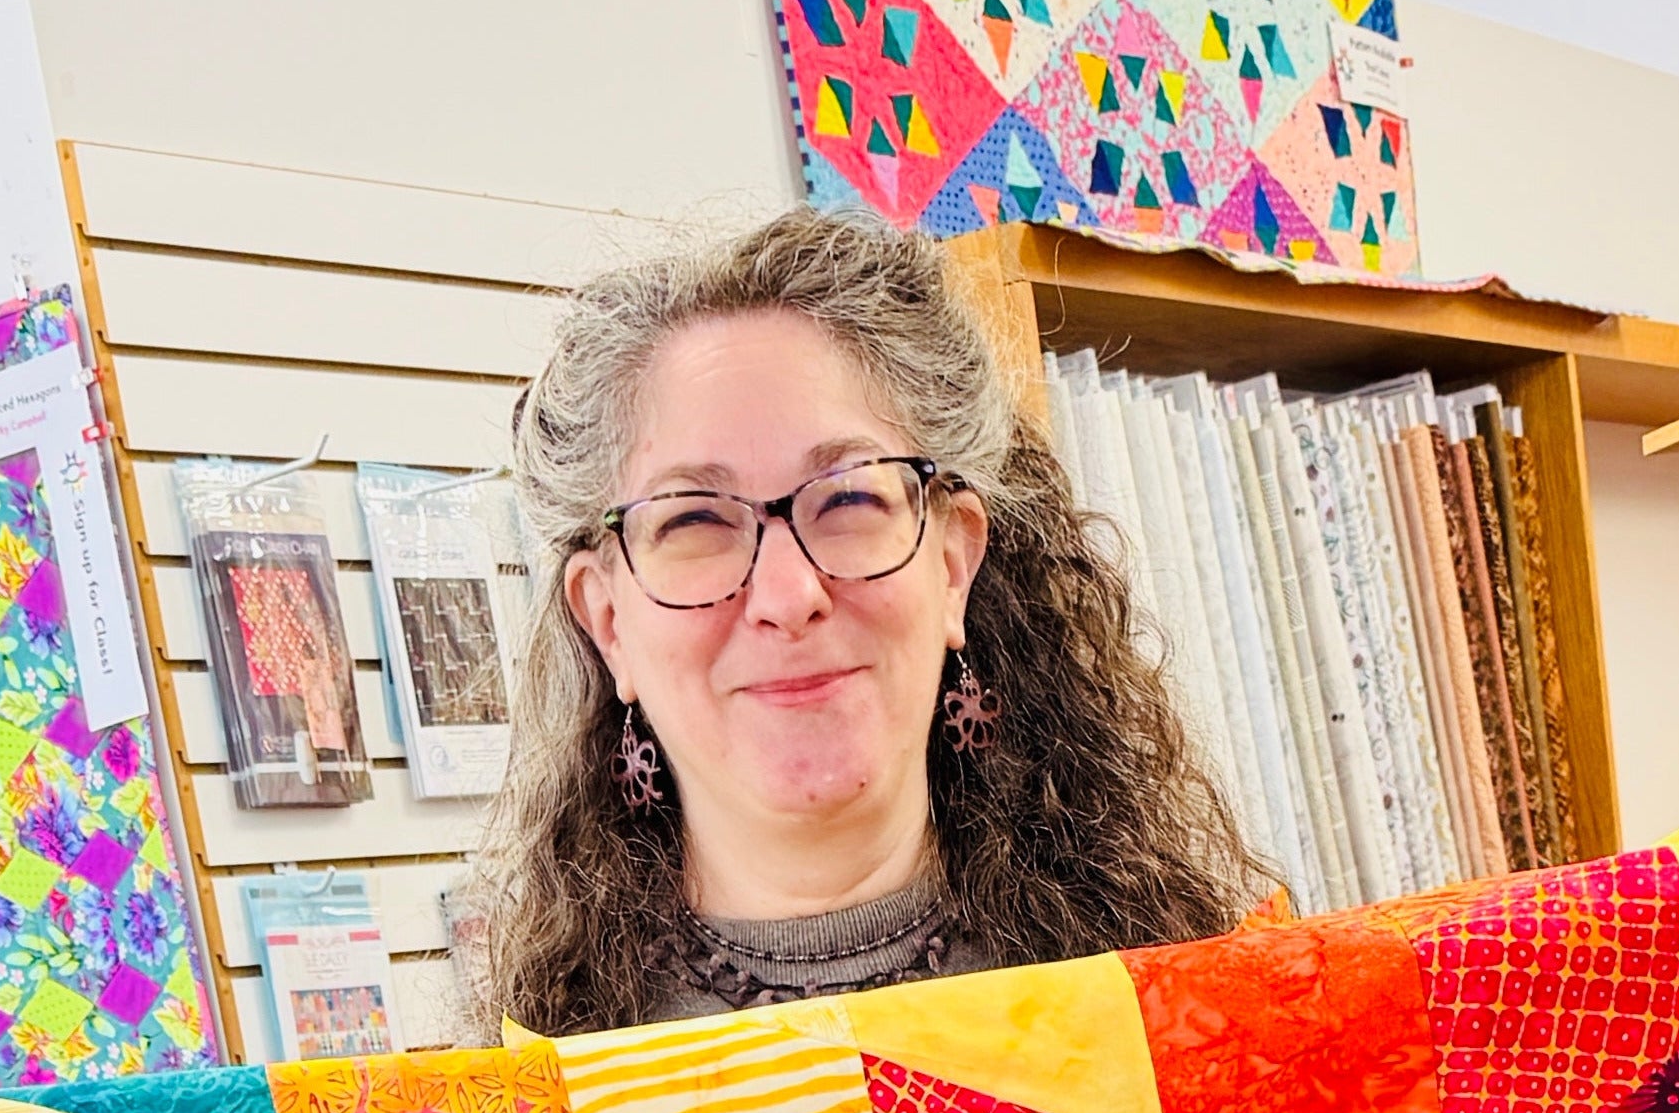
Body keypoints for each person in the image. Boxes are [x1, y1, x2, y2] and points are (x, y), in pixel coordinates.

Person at [477, 209, 1269, 1035]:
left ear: (953, 563)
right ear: (607, 622)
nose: (787, 596)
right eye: (694, 522)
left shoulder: (1195, 1018)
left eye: (849, 498)